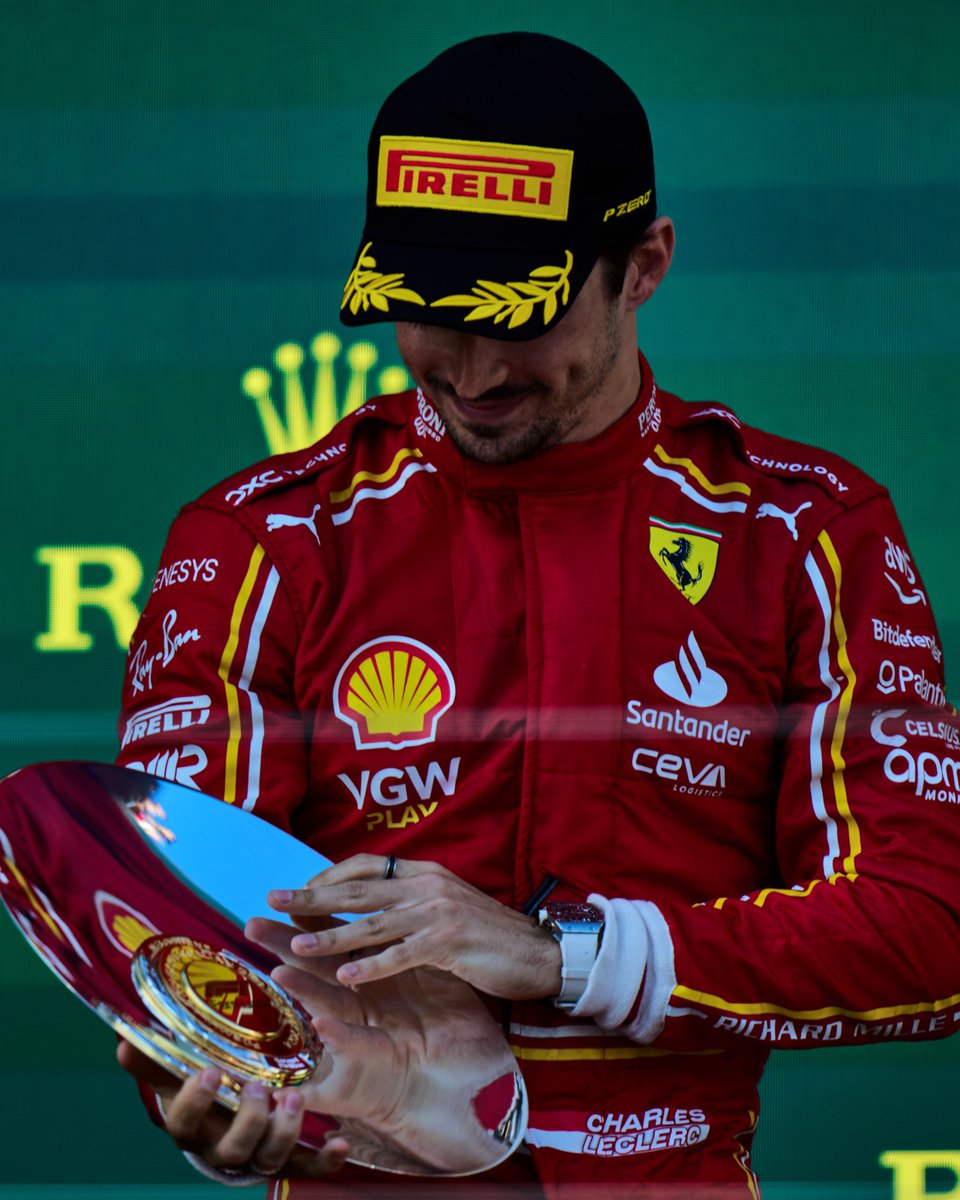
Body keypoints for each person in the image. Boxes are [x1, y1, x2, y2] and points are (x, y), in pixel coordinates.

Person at [115, 31, 960, 1198]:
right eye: (425, 310)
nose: (467, 367)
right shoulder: (259, 543)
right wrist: (207, 1084)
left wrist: (563, 958)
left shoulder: (805, 532)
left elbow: (928, 929)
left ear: (647, 263)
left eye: (516, 314)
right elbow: (172, 940)